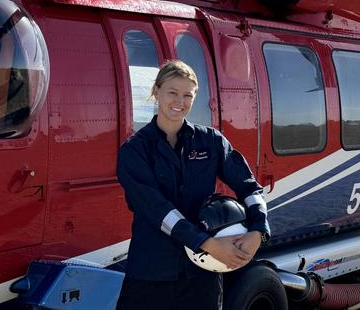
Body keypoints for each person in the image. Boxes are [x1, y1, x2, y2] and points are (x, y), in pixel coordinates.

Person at [116, 60, 270, 310]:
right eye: (172, 93)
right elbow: (157, 210)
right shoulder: (135, 150)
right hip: (151, 274)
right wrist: (206, 243)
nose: (180, 102)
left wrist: (257, 230)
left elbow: (249, 187)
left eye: (188, 95)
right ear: (156, 91)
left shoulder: (211, 142)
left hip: (203, 275)